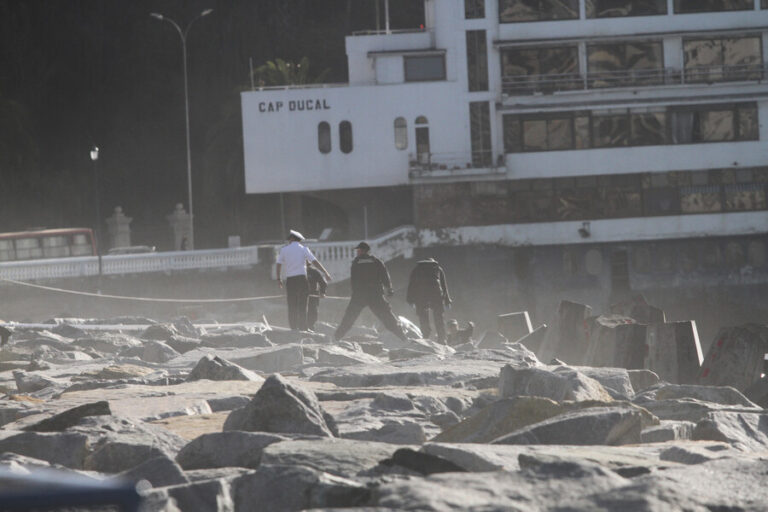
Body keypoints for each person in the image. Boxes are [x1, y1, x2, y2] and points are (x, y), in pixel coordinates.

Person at [334, 241, 408, 342]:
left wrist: (354, 293)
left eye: (358, 250)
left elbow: (353, 280)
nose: (357, 252)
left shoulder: (356, 262)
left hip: (359, 296)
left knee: (349, 318)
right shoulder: (377, 261)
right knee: (388, 318)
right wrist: (389, 288)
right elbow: (385, 276)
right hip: (375, 295)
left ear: (363, 250)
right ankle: (403, 338)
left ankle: (336, 337)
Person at [276, 230, 331, 331]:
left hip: (291, 280)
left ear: (292, 239)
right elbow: (315, 262)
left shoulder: (284, 250)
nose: (288, 241)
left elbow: (278, 264)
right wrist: (325, 272)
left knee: (292, 305)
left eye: (289, 239)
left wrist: (278, 279)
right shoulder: (304, 249)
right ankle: (303, 327)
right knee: (303, 304)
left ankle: (293, 327)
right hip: (302, 279)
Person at [406, 257, 451, 343]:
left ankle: (426, 336)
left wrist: (410, 299)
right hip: (436, 294)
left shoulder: (417, 269)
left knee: (423, 316)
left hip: (421, 295)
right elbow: (443, 285)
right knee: (439, 317)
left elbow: (411, 284)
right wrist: (447, 300)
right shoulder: (437, 268)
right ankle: (442, 339)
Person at [306, 261, 327, 331]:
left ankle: (311, 328)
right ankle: (302, 328)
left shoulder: (314, 272)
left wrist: (322, 292)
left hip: (313, 295)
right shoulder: (298, 272)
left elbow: (323, 283)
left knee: (313, 313)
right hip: (302, 296)